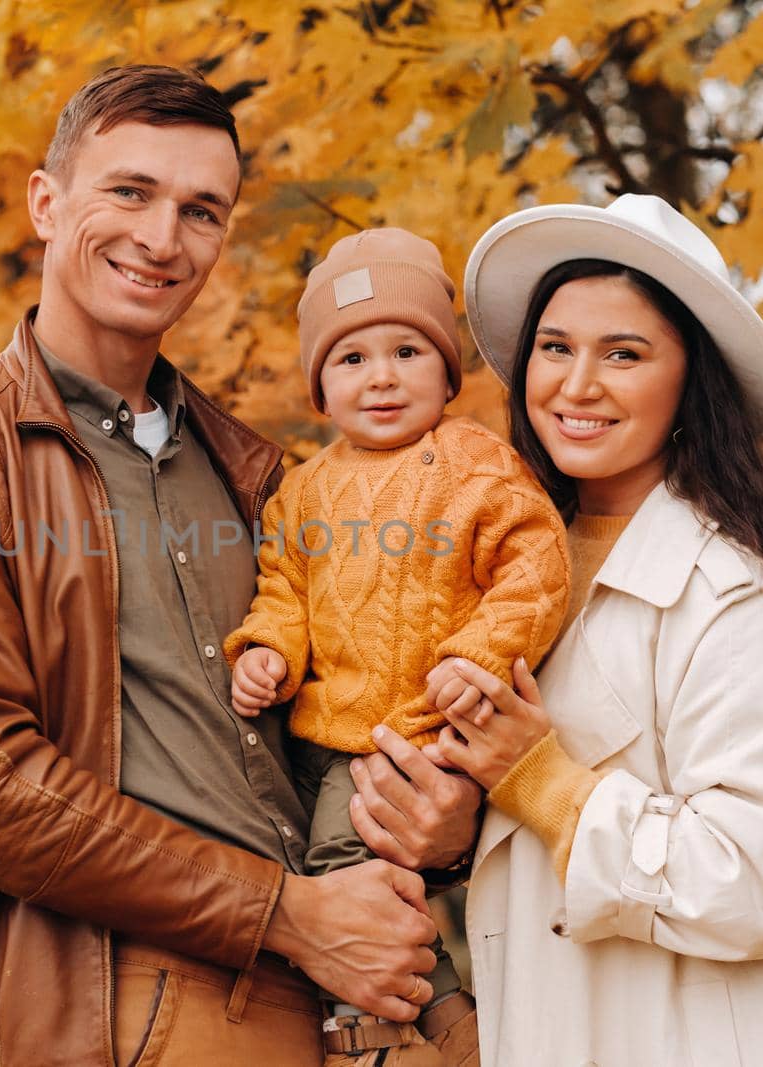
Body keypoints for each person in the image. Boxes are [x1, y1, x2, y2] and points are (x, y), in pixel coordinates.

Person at [0, 65, 482, 1067]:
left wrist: (442, 819)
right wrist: (287, 912)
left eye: (201, 210)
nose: (161, 237)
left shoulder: (259, 472)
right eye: (130, 191)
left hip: (340, 993)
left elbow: (347, 718)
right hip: (105, 989)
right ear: (45, 202)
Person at [412, 193, 763, 1066]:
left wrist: (544, 783)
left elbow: (760, 875)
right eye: (556, 347)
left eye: (624, 353)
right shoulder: (510, 577)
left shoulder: (730, 592)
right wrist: (455, 826)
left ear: (688, 381)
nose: (576, 384)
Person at [224, 227, 569, 1064]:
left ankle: (376, 1031)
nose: (381, 376)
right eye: (351, 359)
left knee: (350, 867)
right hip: (316, 729)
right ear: (320, 391)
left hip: (412, 729)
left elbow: (537, 566)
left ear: (447, 372)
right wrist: (267, 649)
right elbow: (284, 589)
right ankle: (449, 1018)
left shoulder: (474, 466)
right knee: (298, 861)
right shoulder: (302, 492)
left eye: (407, 350)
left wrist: (477, 656)